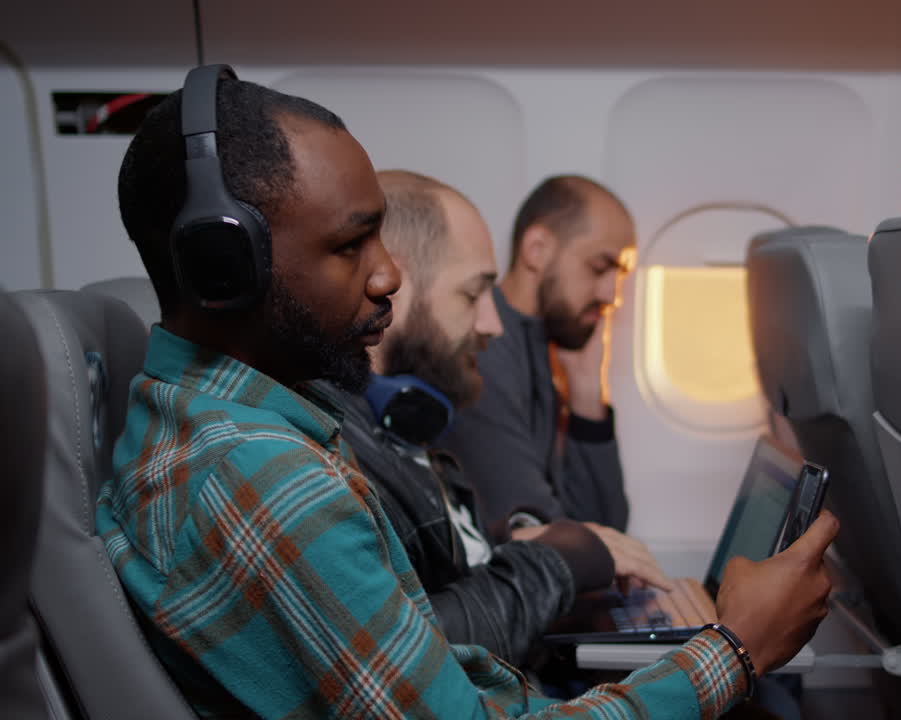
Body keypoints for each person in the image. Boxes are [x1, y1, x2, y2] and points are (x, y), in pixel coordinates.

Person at [97, 68, 837, 720]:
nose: (388, 276)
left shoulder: (258, 422)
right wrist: (735, 652)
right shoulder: (260, 474)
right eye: (351, 245)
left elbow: (433, 669)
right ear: (225, 268)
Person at [333, 169, 671, 667]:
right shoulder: (465, 373)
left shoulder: (417, 415)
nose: (611, 294)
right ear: (393, 285)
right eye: (472, 296)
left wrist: (584, 391)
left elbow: (596, 528)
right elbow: (400, 652)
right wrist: (559, 551)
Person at [441, 175, 633, 537]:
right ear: (537, 249)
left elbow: (605, 527)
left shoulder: (542, 344)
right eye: (599, 267)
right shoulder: (483, 352)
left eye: (618, 275)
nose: (611, 294)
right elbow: (543, 536)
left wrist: (588, 395)